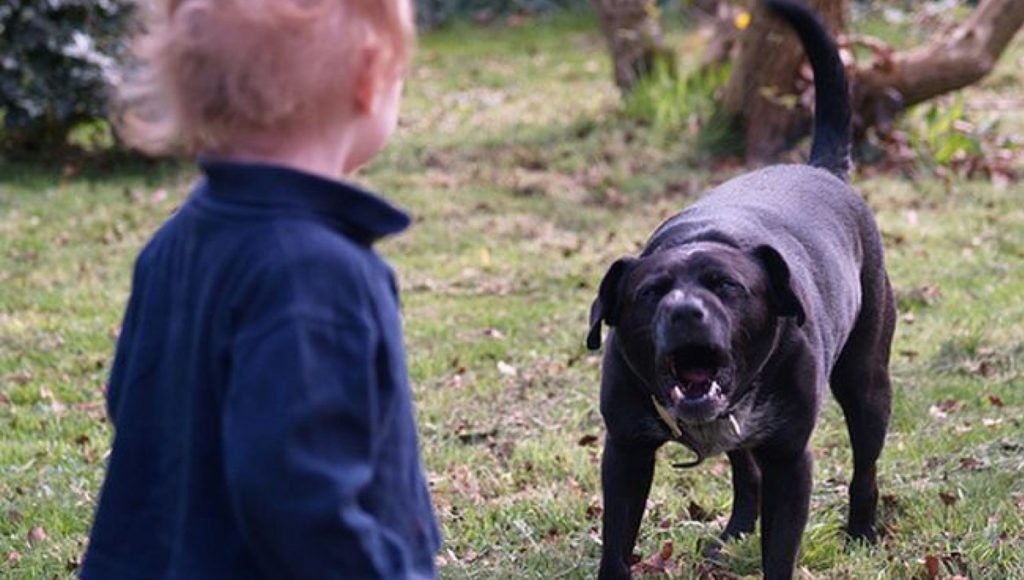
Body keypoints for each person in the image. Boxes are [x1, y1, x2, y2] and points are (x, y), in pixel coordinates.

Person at [79, 0, 441, 578]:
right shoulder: (317, 276)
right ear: (370, 77)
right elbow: (304, 499)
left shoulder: (173, 244)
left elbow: (132, 399)